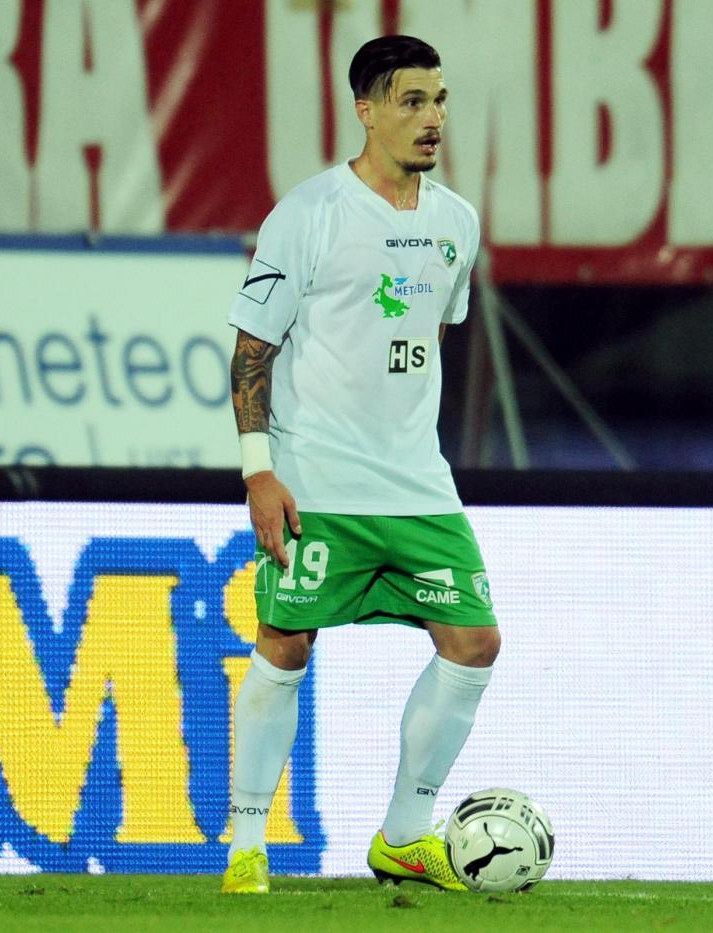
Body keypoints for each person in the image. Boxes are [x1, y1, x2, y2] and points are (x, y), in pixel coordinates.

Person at [220, 34, 496, 895]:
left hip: (417, 484)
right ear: (366, 110)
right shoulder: (309, 213)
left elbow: (427, 339)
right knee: (286, 642)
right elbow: (252, 351)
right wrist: (259, 471)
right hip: (319, 481)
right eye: (413, 101)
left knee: (474, 641)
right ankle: (246, 845)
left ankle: (404, 836)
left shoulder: (457, 223)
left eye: (440, 100)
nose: (433, 118)